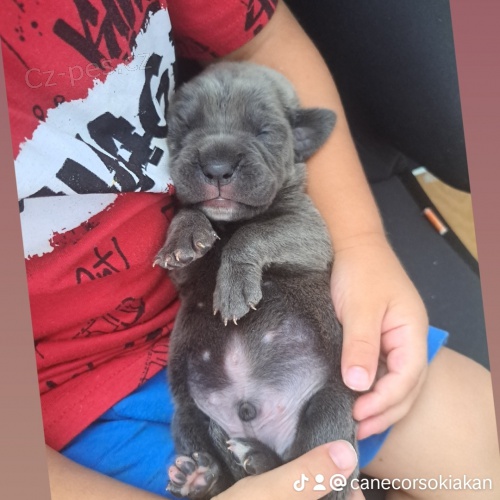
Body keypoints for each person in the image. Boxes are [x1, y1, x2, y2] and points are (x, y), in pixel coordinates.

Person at [1, 1, 498, 499]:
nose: (218, 160)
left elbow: (262, 42)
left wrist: (360, 242)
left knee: (477, 432)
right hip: (69, 407)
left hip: (296, 333)